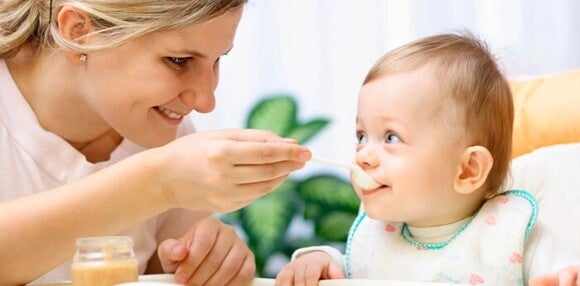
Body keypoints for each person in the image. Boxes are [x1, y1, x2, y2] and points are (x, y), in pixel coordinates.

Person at [0, 0, 312, 285]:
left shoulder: (164, 130)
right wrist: (156, 183)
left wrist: (204, 259)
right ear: (81, 33)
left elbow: (159, 269)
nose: (205, 101)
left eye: (217, 61)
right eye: (179, 60)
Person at [275, 33, 580, 286]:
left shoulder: (517, 234)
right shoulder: (376, 235)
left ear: (467, 170)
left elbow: (562, 276)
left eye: (391, 137)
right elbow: (354, 274)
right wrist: (323, 261)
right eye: (361, 135)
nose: (363, 155)